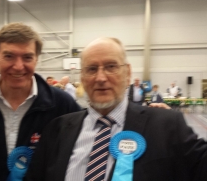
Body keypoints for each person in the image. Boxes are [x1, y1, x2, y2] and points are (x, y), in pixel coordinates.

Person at [25, 37, 207, 181]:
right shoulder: (57, 129)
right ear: (82, 76)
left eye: (111, 67)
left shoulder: (166, 125)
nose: (101, 77)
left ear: (127, 73)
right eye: (91, 69)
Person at [0, 23, 81, 181]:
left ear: (36, 59)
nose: (18, 66)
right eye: (9, 56)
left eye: (27, 57)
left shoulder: (62, 105)